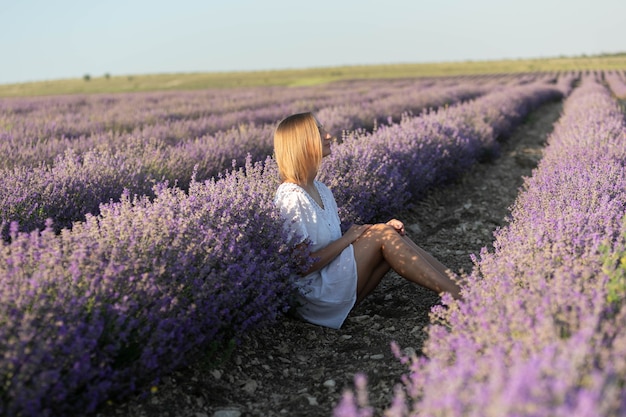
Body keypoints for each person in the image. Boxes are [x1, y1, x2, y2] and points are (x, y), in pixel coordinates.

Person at [273, 112, 461, 329]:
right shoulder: (292, 197)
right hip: (315, 297)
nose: (328, 135)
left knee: (392, 233)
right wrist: (351, 237)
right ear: (300, 142)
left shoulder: (321, 190)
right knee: (383, 234)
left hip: (332, 284)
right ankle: (460, 297)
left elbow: (328, 245)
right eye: (319, 131)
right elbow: (302, 266)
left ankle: (462, 287)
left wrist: (378, 233)